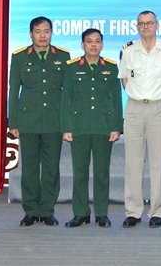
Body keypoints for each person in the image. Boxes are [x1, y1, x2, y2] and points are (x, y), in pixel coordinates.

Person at [119, 11, 161, 228]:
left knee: (158, 163)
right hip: (134, 108)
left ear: (157, 25)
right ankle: (133, 212)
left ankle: (157, 212)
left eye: (150, 23)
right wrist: (140, 97)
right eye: (142, 24)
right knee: (133, 163)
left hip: (159, 109)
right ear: (137, 27)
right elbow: (125, 79)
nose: (146, 27)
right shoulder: (128, 50)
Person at [8, 16, 70, 227]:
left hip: (54, 120)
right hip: (29, 121)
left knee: (51, 169)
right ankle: (31, 211)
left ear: (51, 33)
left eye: (46, 31)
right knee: (30, 169)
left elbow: (68, 92)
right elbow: (14, 91)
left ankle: (47, 211)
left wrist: (67, 122)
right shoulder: (19, 57)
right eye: (38, 31)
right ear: (30, 34)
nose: (42, 35)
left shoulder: (62, 56)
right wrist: (13, 122)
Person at [61, 29, 123, 228]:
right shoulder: (72, 68)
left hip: (103, 127)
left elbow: (116, 99)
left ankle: (102, 213)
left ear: (102, 45)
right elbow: (66, 99)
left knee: (101, 173)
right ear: (82, 45)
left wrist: (116, 127)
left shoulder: (111, 67)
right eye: (89, 41)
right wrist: (66, 127)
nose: (93, 45)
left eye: (97, 41)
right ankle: (80, 213)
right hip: (79, 127)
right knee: (79, 173)